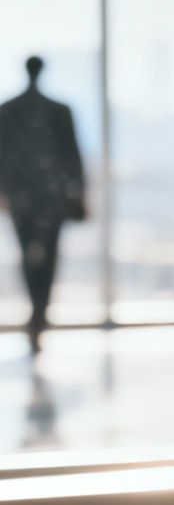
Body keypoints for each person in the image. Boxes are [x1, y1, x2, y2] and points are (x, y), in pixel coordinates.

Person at [0, 56, 87, 356]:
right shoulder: (58, 111)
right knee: (47, 257)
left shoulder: (8, 110)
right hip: (51, 199)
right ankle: (39, 313)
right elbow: (73, 156)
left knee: (30, 256)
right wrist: (77, 194)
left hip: (26, 198)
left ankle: (37, 313)